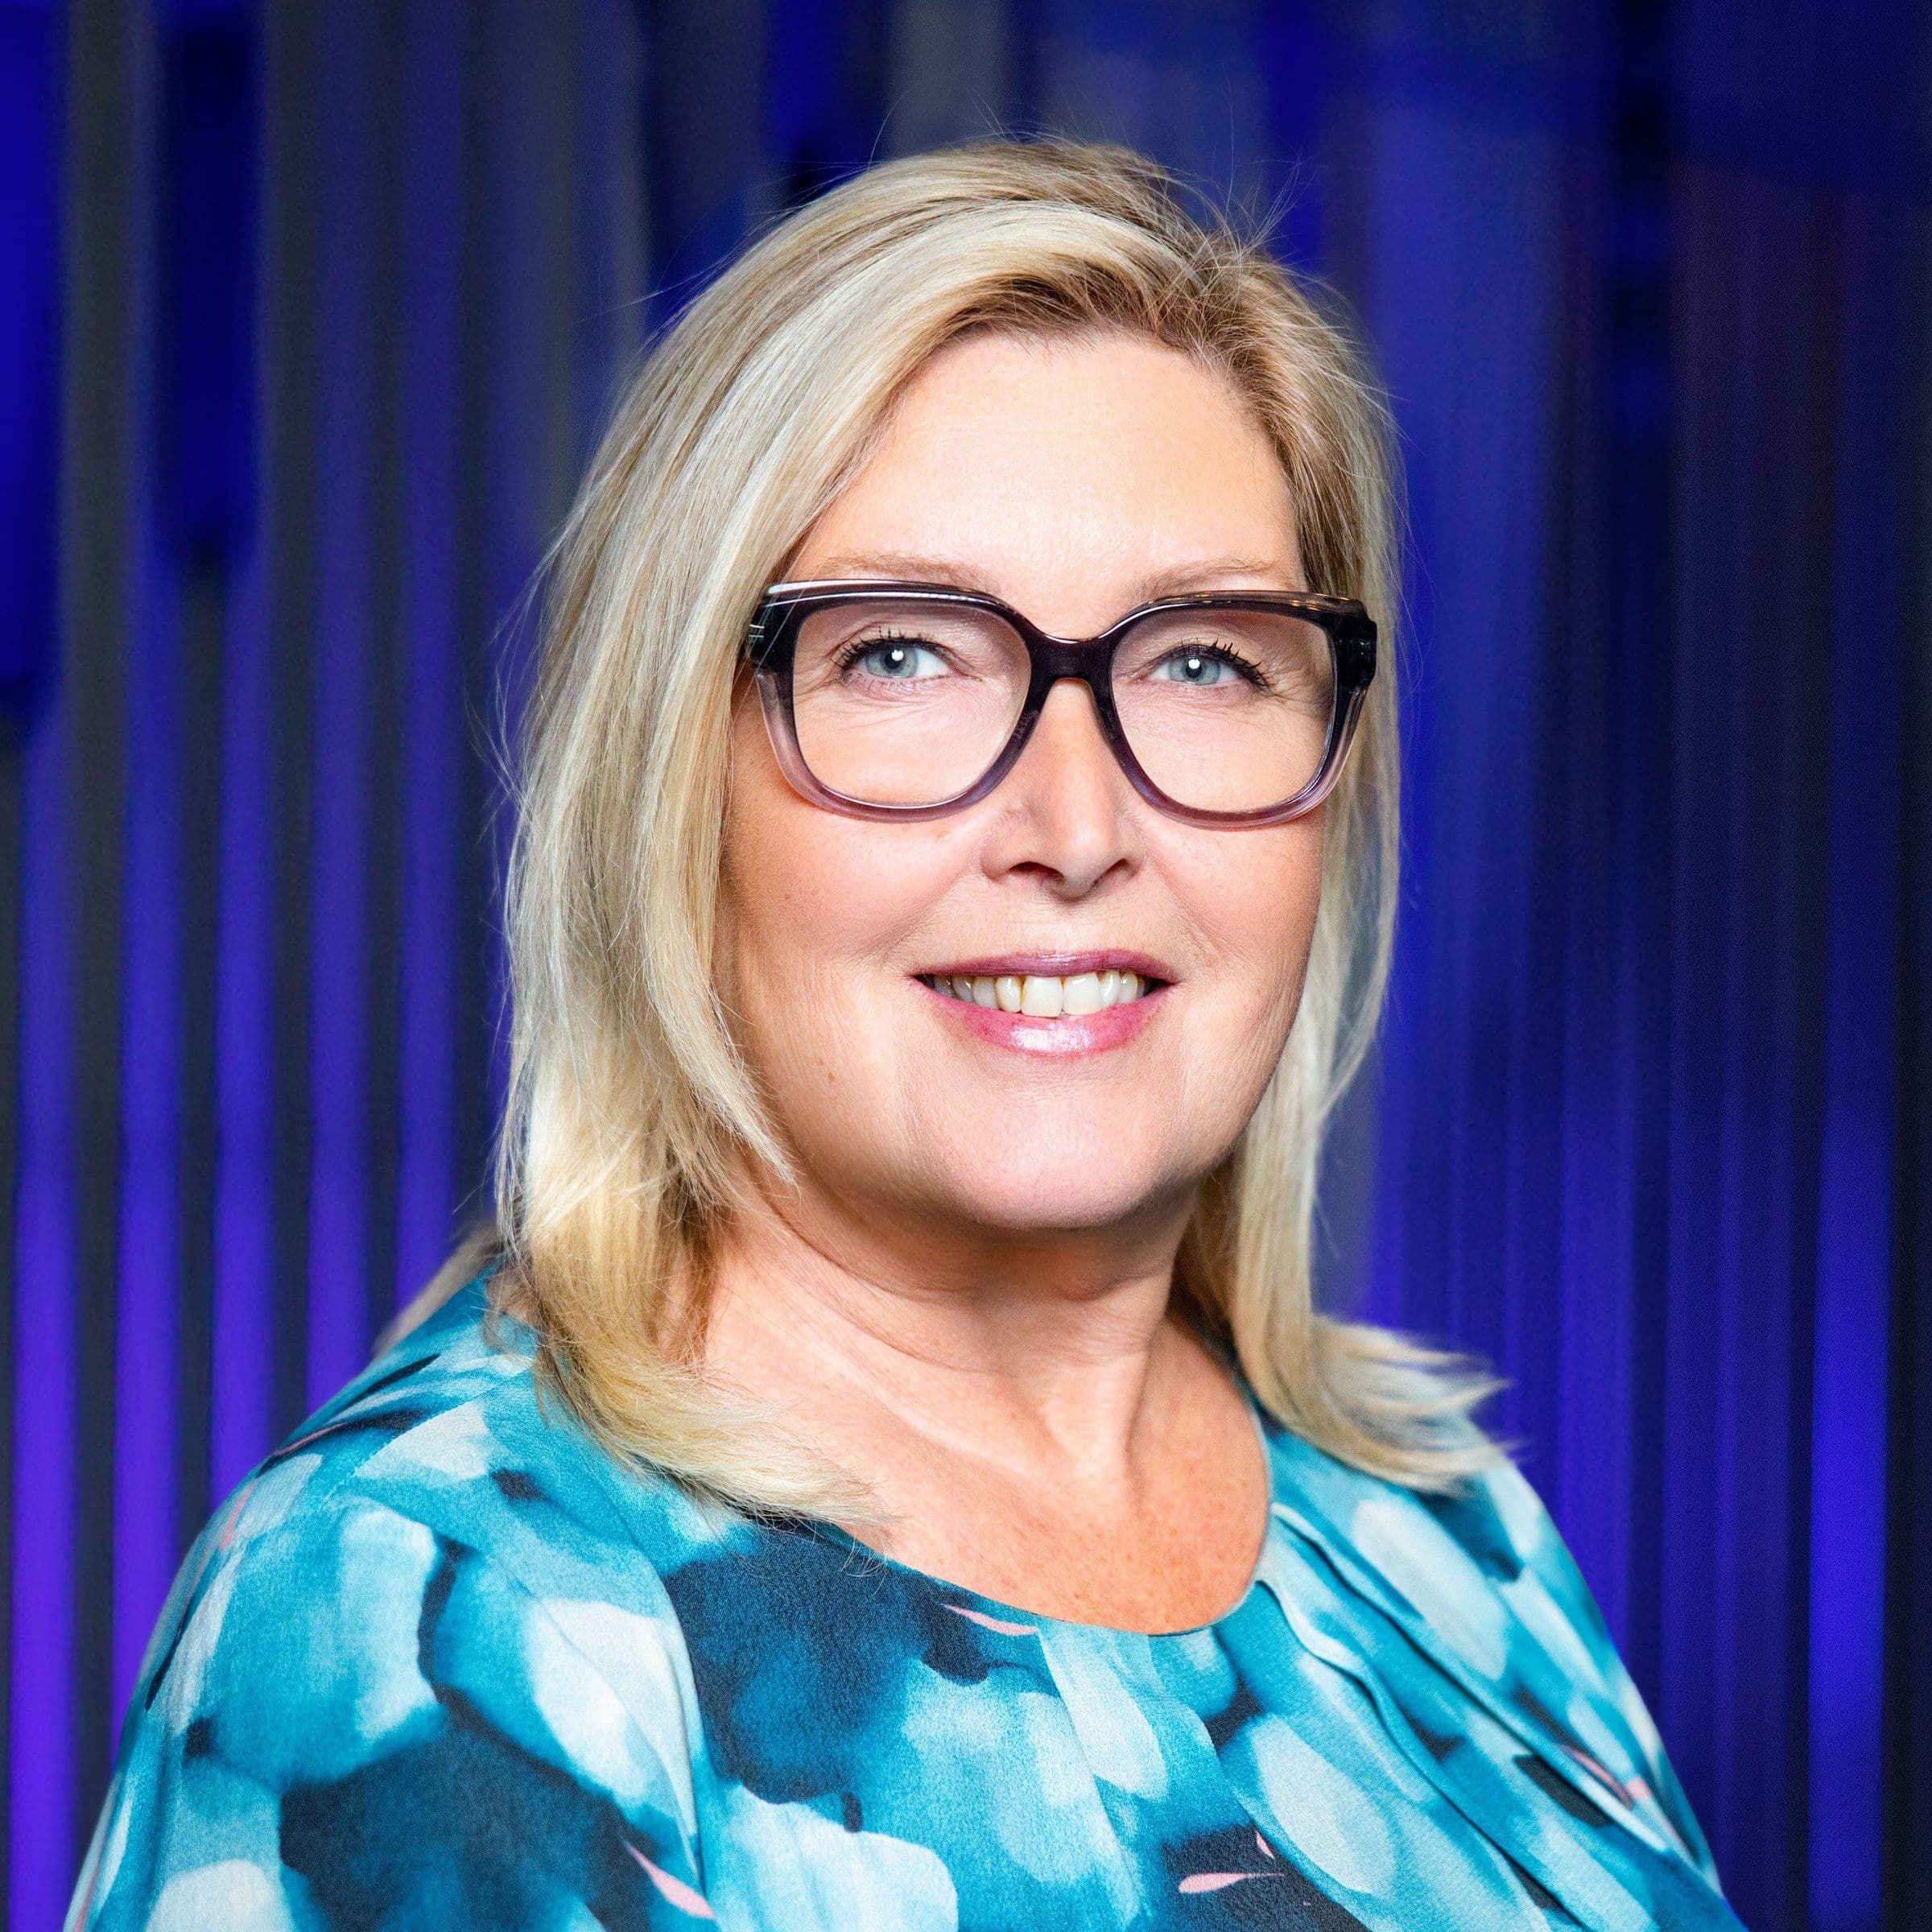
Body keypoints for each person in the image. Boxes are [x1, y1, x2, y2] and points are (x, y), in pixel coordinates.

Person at [70, 138, 1740, 1930]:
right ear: (671, 777)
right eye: (903, 657)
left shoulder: (1440, 1534)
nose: (1079, 827)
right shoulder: (447, 1614)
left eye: (1202, 662)